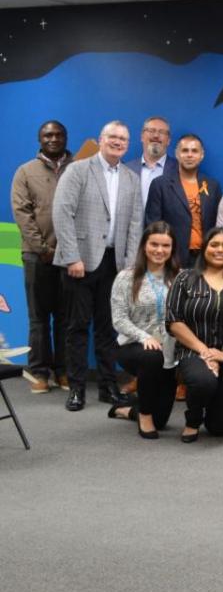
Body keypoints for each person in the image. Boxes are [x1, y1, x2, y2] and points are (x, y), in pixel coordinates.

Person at [52, 120, 142, 412]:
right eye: (113, 137)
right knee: (77, 327)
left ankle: (108, 387)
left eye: (123, 139)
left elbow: (135, 225)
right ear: (101, 139)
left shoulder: (131, 178)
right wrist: (71, 257)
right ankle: (77, 389)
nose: (118, 142)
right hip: (81, 261)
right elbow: (62, 213)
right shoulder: (78, 170)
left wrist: (130, 265)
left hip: (115, 265)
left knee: (107, 329)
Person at [166, 227, 223, 442]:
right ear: (205, 248)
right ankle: (193, 419)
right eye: (214, 245)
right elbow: (174, 322)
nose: (220, 250)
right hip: (192, 351)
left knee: (220, 428)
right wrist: (205, 352)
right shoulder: (184, 278)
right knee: (203, 382)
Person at [10, 120, 71, 393]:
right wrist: (44, 249)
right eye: (48, 135)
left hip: (70, 256)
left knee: (65, 317)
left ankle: (63, 371)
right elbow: (22, 213)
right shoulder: (25, 171)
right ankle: (40, 373)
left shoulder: (78, 169)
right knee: (38, 318)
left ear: (65, 138)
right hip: (37, 256)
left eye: (58, 134)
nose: (54, 139)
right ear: (40, 139)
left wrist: (66, 251)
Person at [109, 221, 181, 438]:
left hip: (169, 350)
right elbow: (119, 319)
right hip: (134, 346)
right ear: (144, 246)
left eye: (166, 246)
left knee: (162, 422)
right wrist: (144, 336)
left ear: (172, 249)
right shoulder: (126, 277)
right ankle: (144, 416)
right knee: (152, 357)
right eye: (154, 244)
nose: (159, 250)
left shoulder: (180, 277)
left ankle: (128, 410)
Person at [144, 134, 221, 269]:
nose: (189, 155)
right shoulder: (160, 185)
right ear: (177, 154)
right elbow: (152, 225)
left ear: (201, 155)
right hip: (171, 258)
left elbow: (217, 224)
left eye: (194, 151)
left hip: (204, 259)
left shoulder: (212, 186)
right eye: (185, 150)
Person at [128, 116, 174, 208]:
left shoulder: (179, 170)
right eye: (151, 131)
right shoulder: (126, 169)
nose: (156, 135)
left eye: (161, 132)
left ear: (168, 140)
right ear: (142, 137)